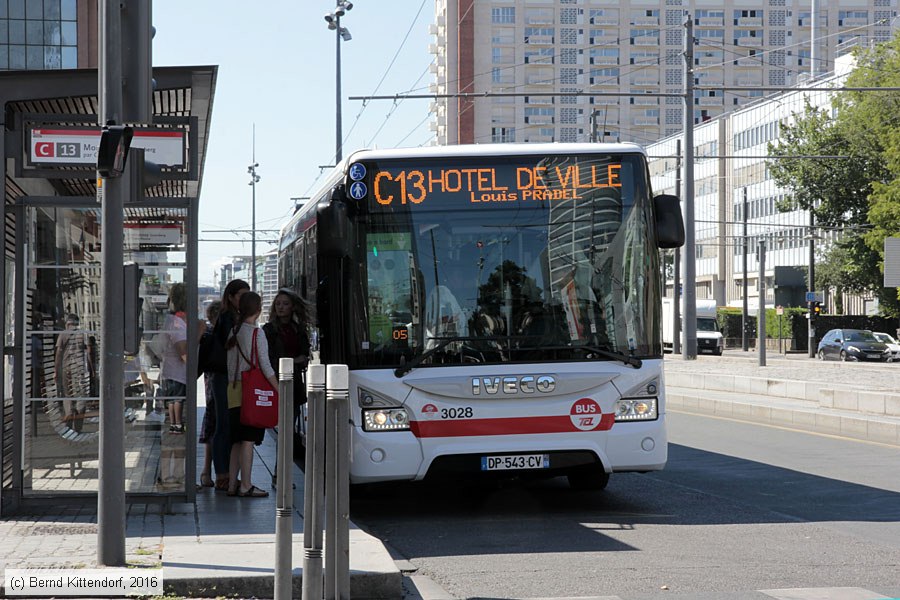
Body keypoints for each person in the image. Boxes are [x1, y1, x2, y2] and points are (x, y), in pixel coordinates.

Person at [225, 291, 276, 498]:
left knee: (236, 441)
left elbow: (230, 366)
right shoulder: (257, 333)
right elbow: (265, 365)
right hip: (250, 393)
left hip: (233, 389)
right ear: (258, 309)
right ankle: (245, 485)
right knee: (248, 440)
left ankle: (231, 484)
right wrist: (278, 388)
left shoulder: (233, 332)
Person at [262, 288, 311, 487]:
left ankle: (281, 474)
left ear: (292, 307)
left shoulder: (298, 329)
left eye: (285, 304)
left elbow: (305, 356)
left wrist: (292, 361)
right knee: (283, 431)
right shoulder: (269, 329)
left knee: (288, 431)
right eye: (278, 304)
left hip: (294, 385)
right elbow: (271, 359)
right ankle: (279, 474)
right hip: (275, 383)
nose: (281, 307)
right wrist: (293, 360)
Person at [210, 279, 250, 491]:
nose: (245, 299)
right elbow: (231, 344)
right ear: (232, 297)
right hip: (225, 376)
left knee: (227, 425)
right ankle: (223, 474)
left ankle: (225, 474)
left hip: (228, 376)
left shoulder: (232, 316)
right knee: (224, 425)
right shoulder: (228, 317)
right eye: (242, 295)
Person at [198, 301, 222, 488]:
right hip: (216, 386)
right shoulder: (212, 335)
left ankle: (207, 472)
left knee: (212, 427)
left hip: (211, 386)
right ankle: (207, 472)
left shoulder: (207, 335)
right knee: (215, 427)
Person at [54, 313, 92, 432]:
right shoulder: (83, 334)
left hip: (67, 369)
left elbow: (59, 354)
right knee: (81, 397)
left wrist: (56, 370)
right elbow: (89, 352)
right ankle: (78, 427)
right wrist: (92, 369)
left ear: (67, 323)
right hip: (80, 370)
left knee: (68, 395)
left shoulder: (63, 334)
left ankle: (69, 424)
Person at [159, 283, 188, 433]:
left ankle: (173, 423)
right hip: (177, 371)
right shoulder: (177, 322)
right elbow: (184, 353)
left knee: (172, 399)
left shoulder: (170, 319)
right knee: (178, 398)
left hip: (168, 369)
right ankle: (177, 423)